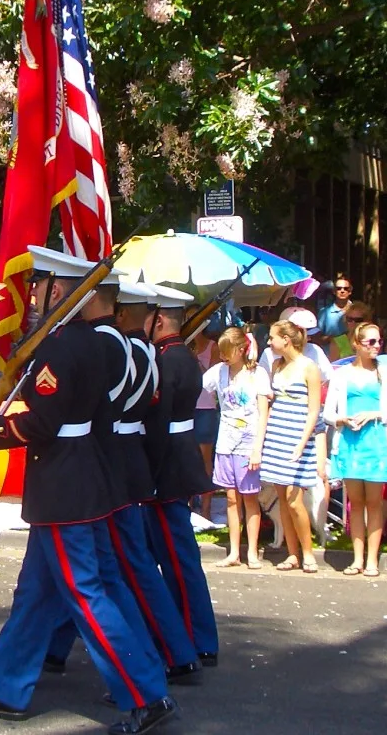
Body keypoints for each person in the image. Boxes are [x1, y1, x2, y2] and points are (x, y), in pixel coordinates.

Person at [0, 249, 177, 735]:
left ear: (58, 290)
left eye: (39, 286)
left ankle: (145, 693)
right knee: (36, 594)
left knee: (86, 593)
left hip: (63, 487)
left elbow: (43, 423)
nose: (33, 295)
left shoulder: (61, 347)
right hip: (82, 481)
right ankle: (4, 689)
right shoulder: (99, 344)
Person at [44, 269, 202, 687]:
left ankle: (160, 660)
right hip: (121, 456)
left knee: (114, 568)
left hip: (103, 458)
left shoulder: (108, 345)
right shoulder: (144, 350)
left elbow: (95, 410)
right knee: (87, 569)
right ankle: (47, 651)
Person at [143, 285, 220, 665]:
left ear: (158, 319)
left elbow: (157, 425)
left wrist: (149, 475)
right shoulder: (183, 357)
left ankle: (194, 639)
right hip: (180, 459)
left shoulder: (164, 361)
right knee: (175, 558)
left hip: (167, 468)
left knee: (177, 560)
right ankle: (193, 636)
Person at [323, 321, 387, 576]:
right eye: (371, 342)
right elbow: (328, 413)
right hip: (349, 442)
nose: (376, 346)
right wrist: (341, 420)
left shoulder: (385, 374)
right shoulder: (342, 374)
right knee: (355, 503)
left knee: (375, 501)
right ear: (357, 344)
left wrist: (375, 413)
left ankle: (372, 559)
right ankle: (357, 559)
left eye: (379, 341)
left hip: (377, 443)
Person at [254, 319, 322, 573]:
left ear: (287, 339)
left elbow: (314, 410)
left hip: (297, 437)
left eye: (273, 337)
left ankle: (308, 553)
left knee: (295, 500)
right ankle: (292, 553)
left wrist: (303, 442)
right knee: (282, 498)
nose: (269, 342)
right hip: (276, 436)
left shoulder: (309, 367)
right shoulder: (276, 366)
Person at [201, 327, 271, 569]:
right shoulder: (219, 371)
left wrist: (257, 448)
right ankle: (233, 552)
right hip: (226, 442)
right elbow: (199, 385)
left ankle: (251, 550)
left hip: (248, 441)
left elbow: (263, 413)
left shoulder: (257, 374)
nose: (223, 356)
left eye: (227, 351)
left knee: (250, 498)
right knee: (231, 498)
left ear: (242, 350)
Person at [188, 312, 220, 520]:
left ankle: (207, 506)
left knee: (205, 458)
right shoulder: (183, 343)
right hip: (187, 408)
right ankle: (189, 502)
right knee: (188, 456)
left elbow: (212, 376)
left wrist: (195, 361)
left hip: (206, 408)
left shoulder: (213, 346)